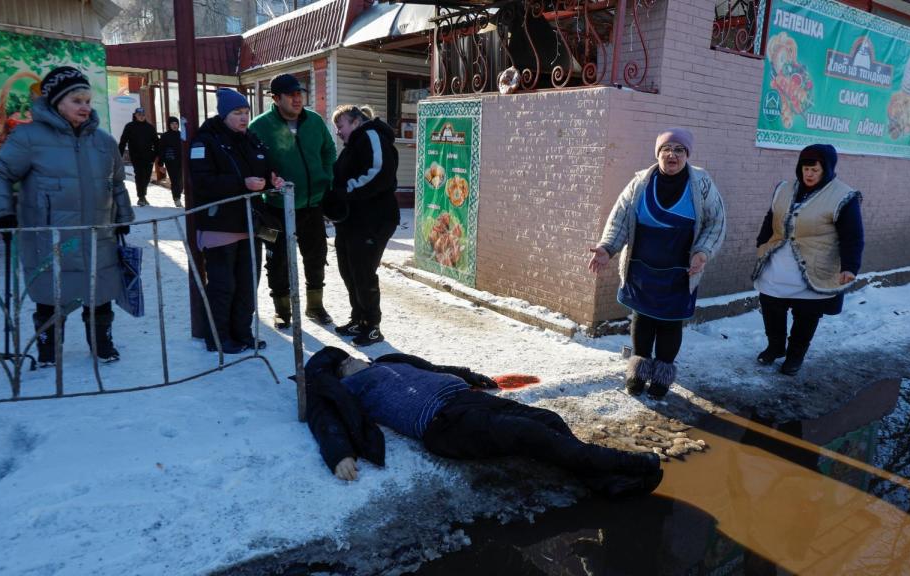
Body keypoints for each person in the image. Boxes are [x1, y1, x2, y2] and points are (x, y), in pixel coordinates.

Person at [304, 346, 665, 498]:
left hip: (467, 401)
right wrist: (339, 454)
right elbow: (325, 418)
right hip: (443, 425)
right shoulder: (345, 390)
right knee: (530, 433)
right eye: (343, 364)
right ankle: (630, 464)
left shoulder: (387, 360)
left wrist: (472, 376)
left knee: (547, 419)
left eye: (349, 358)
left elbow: (437, 369)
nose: (351, 361)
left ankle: (602, 483)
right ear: (337, 375)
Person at [0, 66, 134, 366]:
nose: (85, 107)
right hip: (48, 238)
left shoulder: (103, 142)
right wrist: (1, 212)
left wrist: (123, 217)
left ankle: (102, 343)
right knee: (50, 296)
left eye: (88, 101)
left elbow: (116, 182)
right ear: (55, 102)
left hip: (98, 235)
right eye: (76, 100)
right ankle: (48, 349)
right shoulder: (29, 137)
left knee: (99, 292)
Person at [588, 128, 727, 398]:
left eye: (678, 149)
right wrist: (607, 248)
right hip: (641, 268)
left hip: (680, 271)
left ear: (687, 154)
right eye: (666, 149)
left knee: (670, 323)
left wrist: (702, 252)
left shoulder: (702, 184)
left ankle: (662, 376)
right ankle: (638, 372)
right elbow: (619, 219)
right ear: (658, 154)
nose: (671, 154)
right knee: (641, 320)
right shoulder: (640, 182)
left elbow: (716, 222)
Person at [752, 144, 864, 375]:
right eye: (805, 168)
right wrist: (761, 243)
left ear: (827, 169)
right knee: (771, 304)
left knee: (806, 314)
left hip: (815, 265)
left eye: (815, 169)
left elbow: (852, 236)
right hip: (778, 262)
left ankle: (795, 356)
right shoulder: (784, 189)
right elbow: (771, 217)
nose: (809, 174)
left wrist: (850, 266)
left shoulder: (843, 196)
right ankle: (775, 347)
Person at [189, 88, 283, 354]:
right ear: (223, 114)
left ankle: (242, 333)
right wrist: (242, 184)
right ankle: (218, 338)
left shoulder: (251, 139)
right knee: (223, 285)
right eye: (237, 113)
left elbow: (267, 167)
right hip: (219, 224)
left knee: (247, 284)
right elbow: (202, 182)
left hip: (250, 224)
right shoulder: (205, 141)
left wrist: (274, 178)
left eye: (246, 112)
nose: (243, 118)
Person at [249, 73, 337, 330]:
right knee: (276, 258)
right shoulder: (259, 126)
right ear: (276, 99)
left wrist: (326, 179)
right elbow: (253, 160)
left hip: (312, 205)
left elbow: (328, 151)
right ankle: (282, 310)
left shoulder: (315, 121)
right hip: (273, 208)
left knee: (316, 255)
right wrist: (267, 179)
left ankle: (315, 305)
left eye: (300, 94)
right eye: (291, 95)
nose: (297, 99)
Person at [326, 105, 399, 346]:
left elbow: (379, 172)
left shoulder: (371, 135)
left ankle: (372, 325)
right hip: (352, 221)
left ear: (356, 122)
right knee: (348, 270)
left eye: (341, 125)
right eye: (337, 127)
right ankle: (358, 318)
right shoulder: (352, 146)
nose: (338, 131)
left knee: (363, 272)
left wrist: (344, 191)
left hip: (374, 220)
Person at [118, 107, 159, 207]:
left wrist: (155, 155)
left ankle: (142, 195)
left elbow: (156, 142)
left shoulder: (150, 127)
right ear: (135, 115)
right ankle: (141, 197)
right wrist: (119, 155)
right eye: (139, 114)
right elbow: (123, 141)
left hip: (149, 156)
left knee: (147, 177)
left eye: (143, 115)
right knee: (139, 175)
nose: (141, 116)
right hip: (136, 156)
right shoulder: (129, 126)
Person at [156, 116, 183, 208]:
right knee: (175, 180)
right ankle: (176, 198)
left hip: (182, 161)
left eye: (176, 124)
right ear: (169, 125)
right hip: (171, 161)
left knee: (181, 181)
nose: (175, 126)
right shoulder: (165, 136)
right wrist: (160, 164)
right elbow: (161, 151)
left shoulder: (182, 134)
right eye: (172, 124)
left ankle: (178, 194)